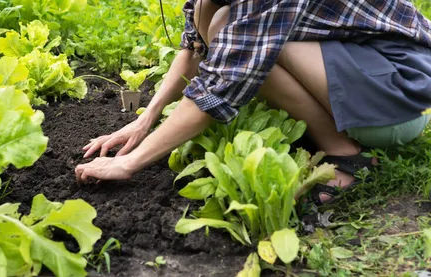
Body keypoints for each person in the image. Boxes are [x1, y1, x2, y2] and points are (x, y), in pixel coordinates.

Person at [75, 0, 431, 205]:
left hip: (397, 97)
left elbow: (220, 86)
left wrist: (131, 163)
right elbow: (194, 48)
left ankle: (347, 158)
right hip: (364, 81)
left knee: (245, 46)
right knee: (220, 23)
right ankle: (333, 134)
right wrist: (144, 119)